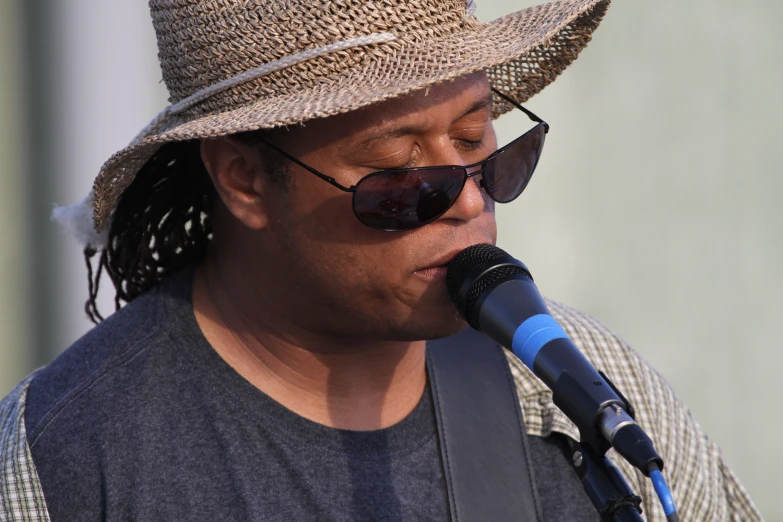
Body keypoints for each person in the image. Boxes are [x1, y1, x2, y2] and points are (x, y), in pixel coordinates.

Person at [0, 0, 762, 520]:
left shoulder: (581, 385)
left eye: (480, 149)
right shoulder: (64, 449)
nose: (467, 202)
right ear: (242, 179)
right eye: (402, 177)